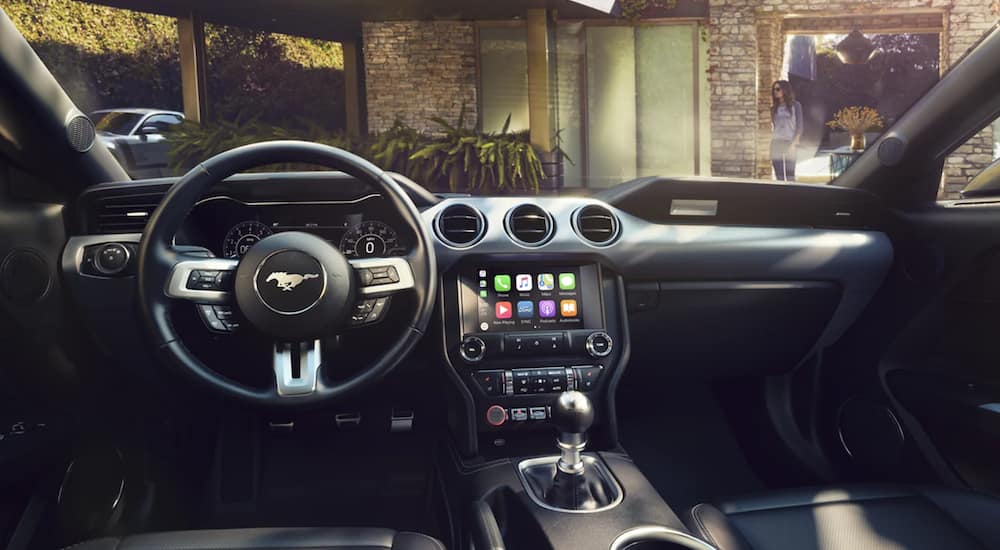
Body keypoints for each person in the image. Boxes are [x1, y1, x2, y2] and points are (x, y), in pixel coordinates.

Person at [770, 80, 803, 181]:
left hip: (790, 143)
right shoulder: (773, 109)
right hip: (776, 144)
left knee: (790, 176)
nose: (775, 91)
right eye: (774, 90)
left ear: (785, 90)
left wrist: (793, 144)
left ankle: (791, 196)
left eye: (778, 89)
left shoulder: (796, 106)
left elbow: (800, 127)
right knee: (779, 177)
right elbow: (775, 126)